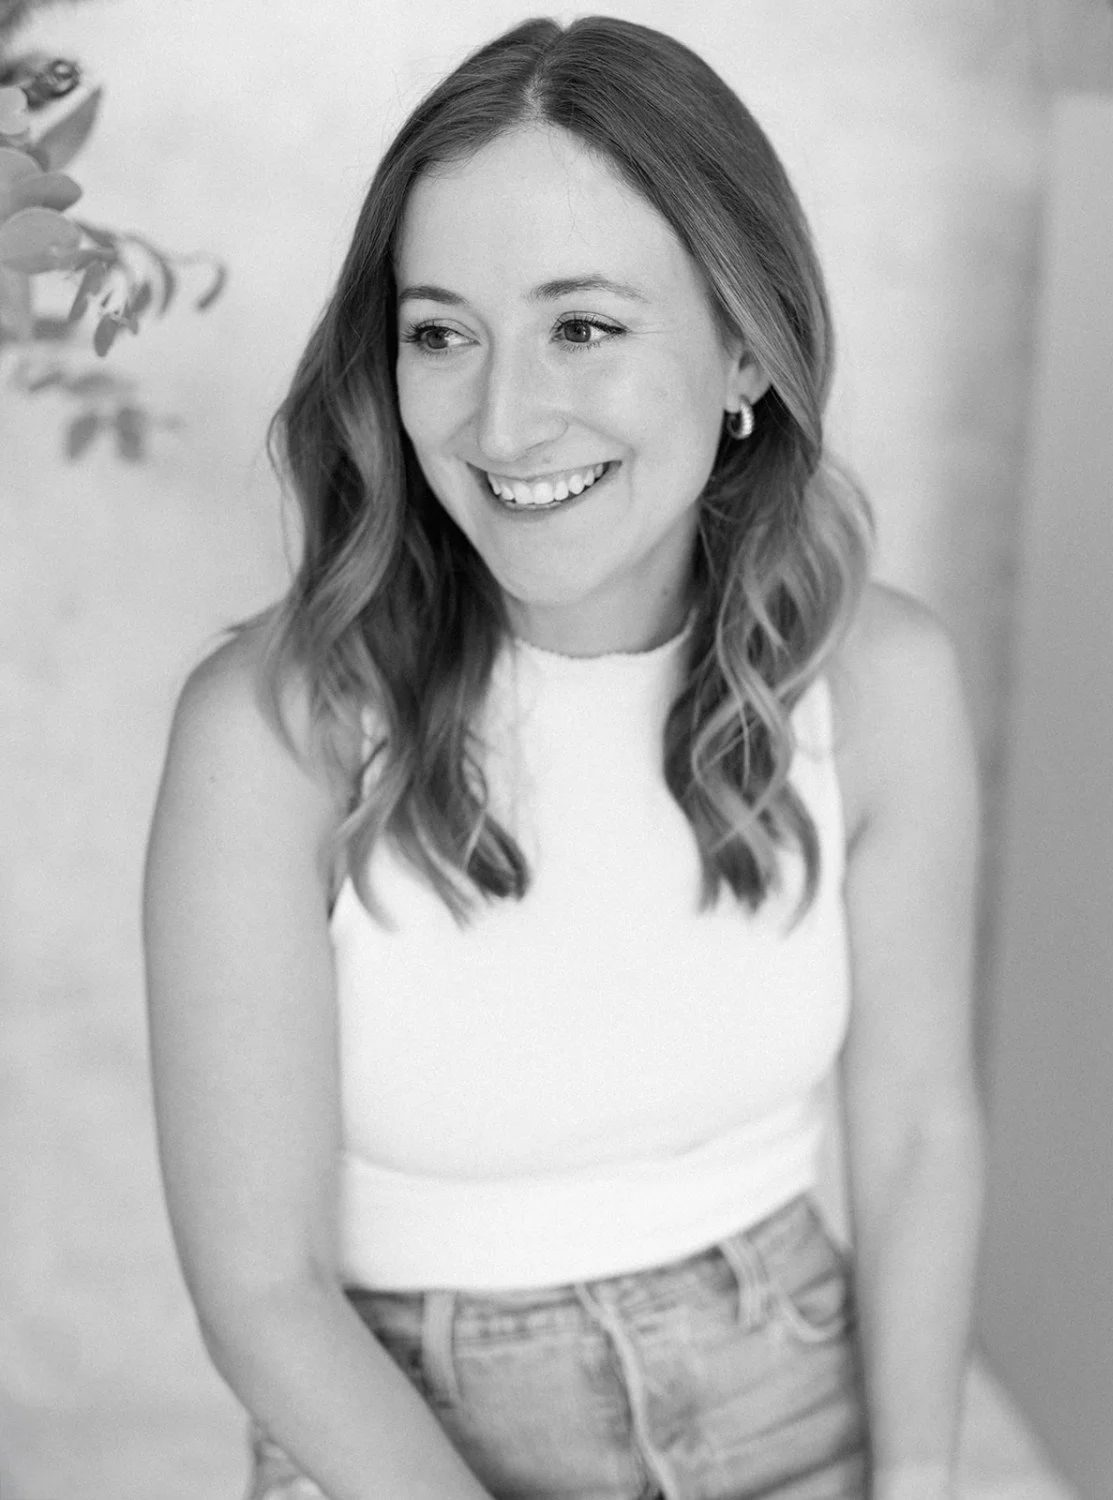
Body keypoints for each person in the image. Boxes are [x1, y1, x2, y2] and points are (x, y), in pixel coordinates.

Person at [142, 15, 986, 1500]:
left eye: (583, 326)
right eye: (441, 332)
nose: (504, 417)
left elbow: (918, 1134)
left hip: (792, 1386)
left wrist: (916, 1481)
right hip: (399, 1424)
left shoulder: (881, 681)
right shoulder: (271, 732)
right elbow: (261, 1292)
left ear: (743, 349)